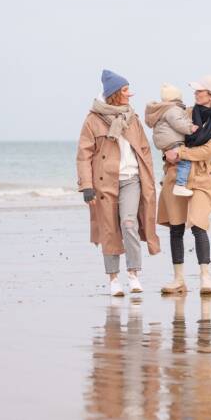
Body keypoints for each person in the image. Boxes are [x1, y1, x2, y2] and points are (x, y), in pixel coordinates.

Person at [76, 69, 161, 296]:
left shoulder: (132, 118)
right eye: (125, 90)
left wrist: (150, 179)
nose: (129, 94)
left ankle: (133, 274)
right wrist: (86, 186)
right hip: (104, 182)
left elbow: (144, 150)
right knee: (109, 230)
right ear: (114, 93)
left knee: (129, 223)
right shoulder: (93, 120)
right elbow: (84, 155)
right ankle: (113, 279)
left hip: (132, 179)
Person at [158, 75, 211, 295]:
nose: (196, 93)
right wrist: (167, 155)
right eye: (196, 90)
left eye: (200, 91)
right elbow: (169, 137)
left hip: (202, 177)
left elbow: (209, 150)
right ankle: (178, 279)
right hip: (175, 175)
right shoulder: (186, 113)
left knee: (199, 224)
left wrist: (180, 153)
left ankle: (205, 276)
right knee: (176, 227)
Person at [144, 83, 198, 197]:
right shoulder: (173, 109)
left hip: (164, 141)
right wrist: (190, 128)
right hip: (172, 140)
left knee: (170, 160)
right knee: (185, 161)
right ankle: (180, 185)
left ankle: (165, 177)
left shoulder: (161, 109)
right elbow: (177, 122)